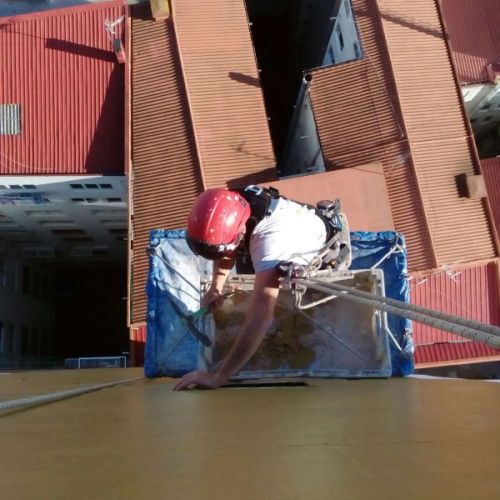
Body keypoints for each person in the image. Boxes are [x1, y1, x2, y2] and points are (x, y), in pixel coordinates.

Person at [173, 185, 335, 390]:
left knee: (259, 282)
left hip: (312, 235)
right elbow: (226, 245)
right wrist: (216, 288)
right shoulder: (229, 202)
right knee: (247, 266)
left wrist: (218, 377)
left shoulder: (270, 247)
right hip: (284, 221)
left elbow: (261, 317)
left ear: (242, 230)